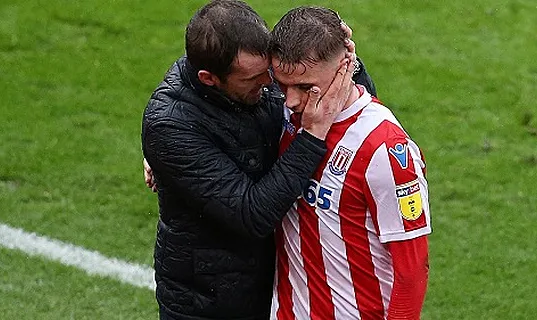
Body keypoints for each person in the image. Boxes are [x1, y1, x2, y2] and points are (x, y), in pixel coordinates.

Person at [141, 1, 375, 319]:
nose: (270, 84)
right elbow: (252, 215)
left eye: (269, 72)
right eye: (253, 79)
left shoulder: (254, 75)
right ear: (209, 79)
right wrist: (312, 136)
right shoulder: (170, 125)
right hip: (210, 304)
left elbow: (344, 108)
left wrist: (344, 64)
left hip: (280, 287)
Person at [267, 6, 431, 320]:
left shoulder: (383, 149)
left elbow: (411, 272)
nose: (290, 100)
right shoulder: (285, 114)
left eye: (305, 87)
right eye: (281, 84)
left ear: (345, 67)